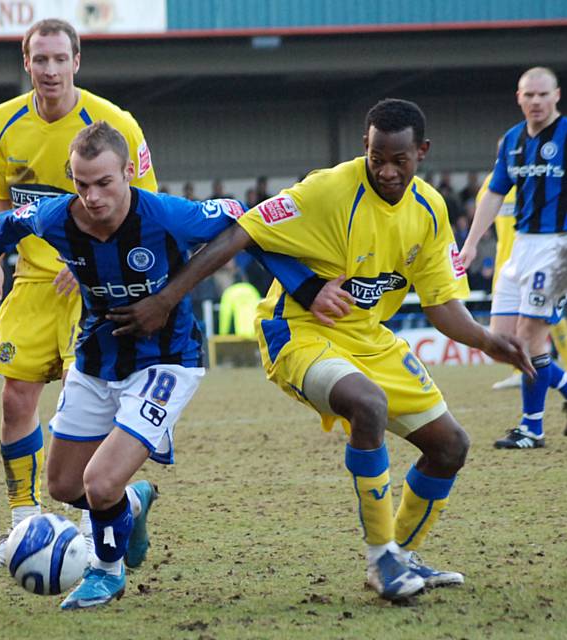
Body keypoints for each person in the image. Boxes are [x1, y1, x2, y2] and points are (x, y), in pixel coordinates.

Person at [106, 99, 533, 602]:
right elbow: (241, 231)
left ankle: (399, 553)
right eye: (377, 158)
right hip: (299, 331)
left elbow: (440, 304)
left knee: (451, 447)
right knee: (367, 404)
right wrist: (166, 298)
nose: (387, 170)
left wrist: (487, 340)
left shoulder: (430, 209)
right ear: (365, 149)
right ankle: (382, 561)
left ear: (422, 152)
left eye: (400, 160)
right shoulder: (328, 189)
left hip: (369, 339)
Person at [0, 121, 334, 608]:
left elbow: (247, 224)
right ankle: (132, 503)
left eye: (104, 183)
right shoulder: (57, 217)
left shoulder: (167, 215)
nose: (93, 197)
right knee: (63, 485)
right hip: (96, 359)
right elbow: (10, 223)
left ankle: (106, 572)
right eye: (82, 185)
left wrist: (306, 287)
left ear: (129, 172)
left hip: (167, 362)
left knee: (99, 483)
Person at [0, 18, 159, 570]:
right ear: (25, 62)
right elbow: (2, 203)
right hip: (31, 280)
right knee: (14, 400)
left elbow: (145, 209)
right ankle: (22, 527)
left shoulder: (112, 123)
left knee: (86, 406)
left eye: (59, 59)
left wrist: (93, 258)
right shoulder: (4, 122)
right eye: (39, 59)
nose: (49, 70)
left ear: (78, 60)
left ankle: (91, 524)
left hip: (94, 285)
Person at [461, 67, 567, 449]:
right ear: (519, 98)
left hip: (558, 249)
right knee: (502, 342)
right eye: (529, 95)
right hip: (521, 247)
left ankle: (532, 428)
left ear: (556, 95)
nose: (536, 101)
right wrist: (472, 242)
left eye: (543, 94)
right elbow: (493, 193)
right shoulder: (511, 140)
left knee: (528, 337)